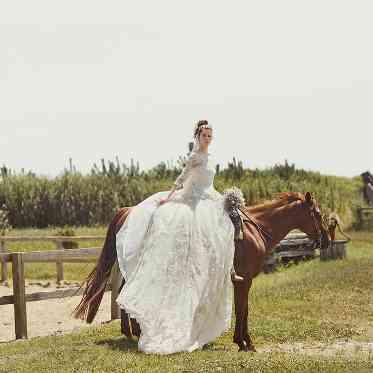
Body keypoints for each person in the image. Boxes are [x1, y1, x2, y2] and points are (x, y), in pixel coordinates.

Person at [115, 120, 242, 354]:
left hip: (208, 198)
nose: (208, 138)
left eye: (210, 135)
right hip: (191, 200)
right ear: (198, 135)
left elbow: (209, 184)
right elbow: (182, 178)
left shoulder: (211, 157)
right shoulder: (194, 156)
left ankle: (230, 268)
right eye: (205, 135)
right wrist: (169, 197)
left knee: (227, 225)